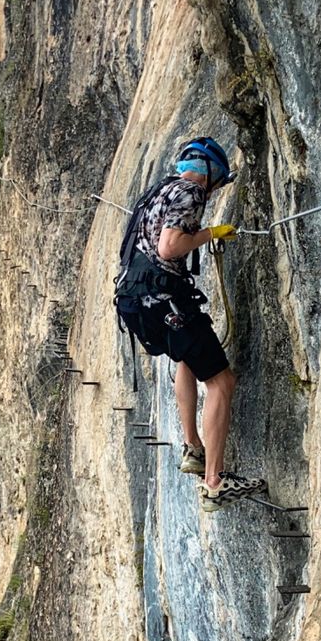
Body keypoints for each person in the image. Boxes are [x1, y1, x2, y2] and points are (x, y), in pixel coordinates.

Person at [114, 137, 266, 512]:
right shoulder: (189, 191)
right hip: (165, 297)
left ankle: (193, 448)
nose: (213, 192)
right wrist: (211, 233)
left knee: (186, 358)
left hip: (136, 300)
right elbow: (170, 247)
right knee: (221, 381)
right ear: (209, 173)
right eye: (215, 184)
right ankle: (215, 482)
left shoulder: (157, 192)